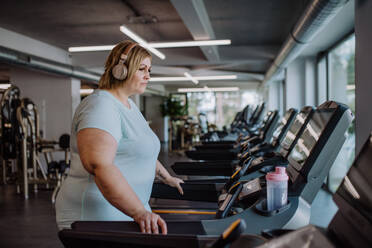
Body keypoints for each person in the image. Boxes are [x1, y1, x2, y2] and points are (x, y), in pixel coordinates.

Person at [55, 40, 184, 234]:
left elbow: (143, 149)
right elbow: (100, 165)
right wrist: (139, 212)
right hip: (96, 214)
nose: (148, 75)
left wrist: (167, 178)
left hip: (129, 210)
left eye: (149, 69)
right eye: (141, 69)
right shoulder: (100, 106)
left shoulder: (129, 106)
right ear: (120, 70)